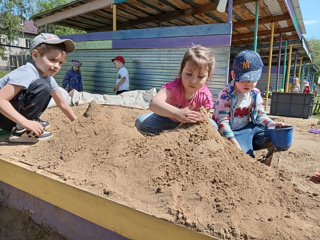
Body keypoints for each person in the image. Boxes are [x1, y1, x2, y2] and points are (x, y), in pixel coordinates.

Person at [0, 33, 77, 143]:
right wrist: (25, 122)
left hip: (8, 116)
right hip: (3, 114)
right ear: (35, 55)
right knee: (43, 86)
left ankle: (23, 124)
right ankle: (20, 130)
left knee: (47, 86)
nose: (57, 66)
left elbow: (62, 102)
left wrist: (77, 122)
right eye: (52, 59)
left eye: (60, 63)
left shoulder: (48, 78)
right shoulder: (27, 72)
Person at [213, 50, 286, 159]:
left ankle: (261, 147)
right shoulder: (225, 95)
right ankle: (243, 148)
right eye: (244, 79)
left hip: (249, 128)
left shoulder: (255, 93)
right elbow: (222, 122)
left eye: (253, 79)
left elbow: (260, 115)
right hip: (233, 132)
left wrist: (272, 124)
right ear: (233, 75)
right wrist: (233, 143)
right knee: (244, 158)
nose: (249, 83)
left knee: (276, 133)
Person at [135, 45, 218, 135]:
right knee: (141, 123)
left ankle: (176, 133)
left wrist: (194, 119)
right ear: (181, 69)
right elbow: (154, 103)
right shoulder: (174, 87)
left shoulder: (205, 96)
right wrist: (177, 113)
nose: (193, 81)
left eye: (200, 76)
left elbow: (204, 120)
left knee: (213, 126)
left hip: (189, 124)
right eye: (189, 74)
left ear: (208, 76)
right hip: (167, 118)